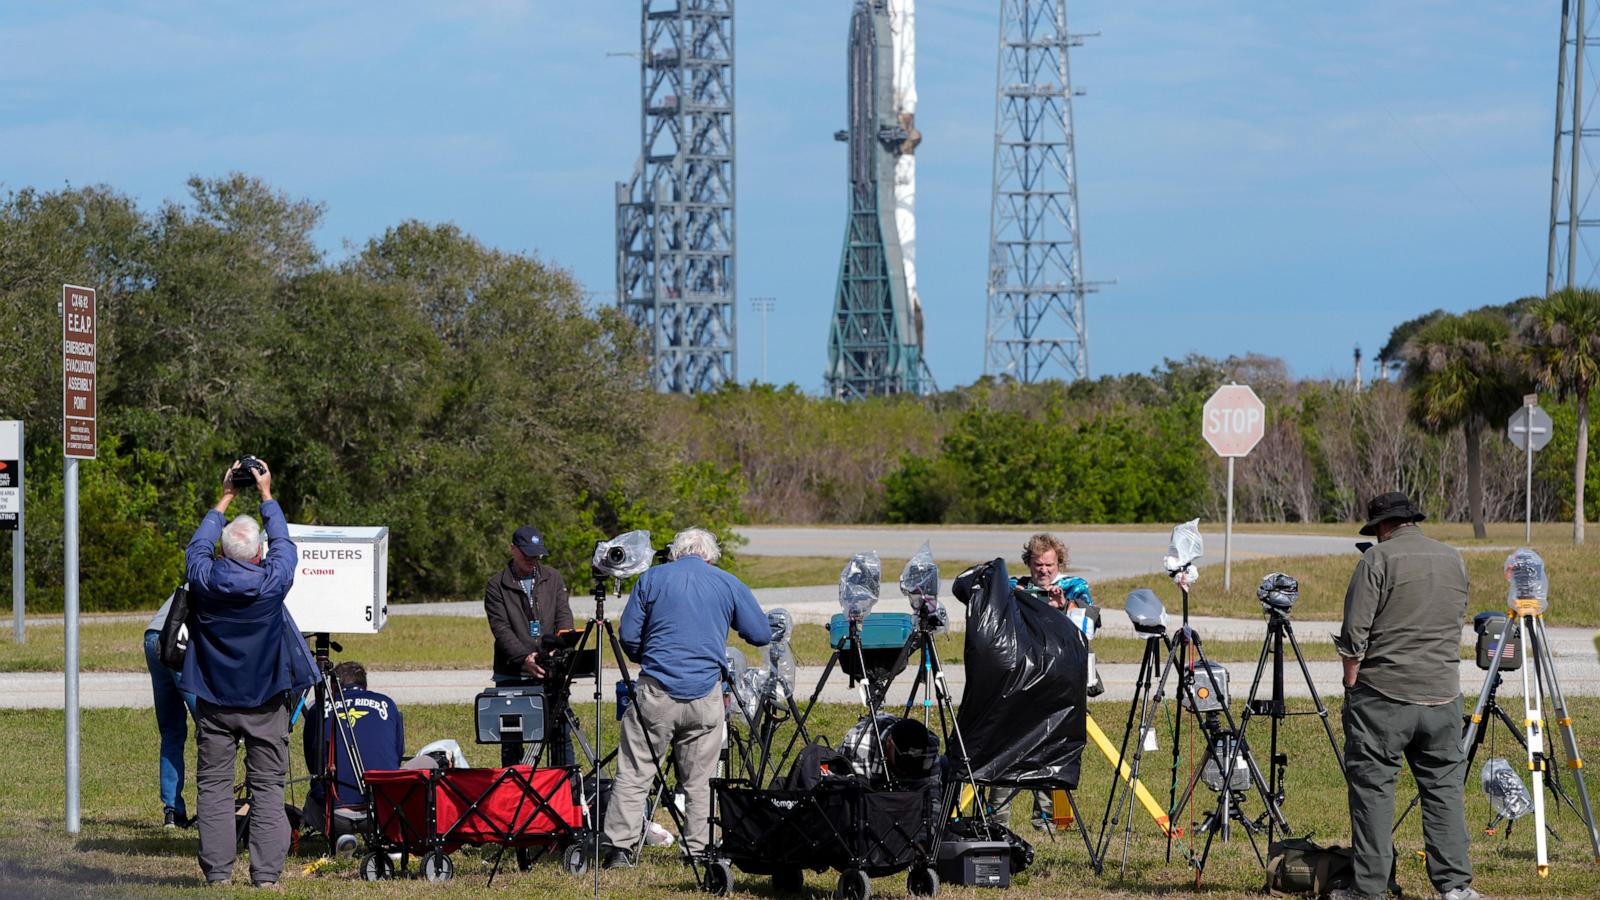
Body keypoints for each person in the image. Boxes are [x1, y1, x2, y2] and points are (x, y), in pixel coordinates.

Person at [1331, 492, 1477, 900]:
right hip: (1444, 697)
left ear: (1381, 528)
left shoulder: (1376, 560)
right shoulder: (1454, 558)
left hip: (1383, 696)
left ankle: (1370, 888)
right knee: (1444, 788)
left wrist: (1350, 685)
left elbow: (1354, 637)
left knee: (1374, 789)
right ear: (1412, 520)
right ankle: (1455, 886)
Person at [182, 458, 319, 888]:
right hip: (265, 701)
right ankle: (265, 877)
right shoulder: (271, 582)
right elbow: (285, 546)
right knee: (268, 791)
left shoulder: (204, 578)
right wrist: (266, 495)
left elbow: (195, 549)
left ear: (222, 552)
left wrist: (225, 495)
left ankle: (218, 875)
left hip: (215, 700)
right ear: (257, 553)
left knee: (215, 790)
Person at [601, 527, 771, 868]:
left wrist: (650, 658)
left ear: (676, 552)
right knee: (700, 779)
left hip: (656, 691)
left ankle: (620, 848)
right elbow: (760, 633)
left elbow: (629, 636)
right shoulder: (726, 582)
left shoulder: (651, 579)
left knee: (635, 771)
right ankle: (698, 850)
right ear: (709, 556)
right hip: (705, 695)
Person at [991, 532, 1094, 832]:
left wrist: (1064, 609)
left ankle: (1046, 818)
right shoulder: (1015, 588)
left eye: (1049, 565)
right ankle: (997, 820)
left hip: (1059, 681)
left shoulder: (1075, 587)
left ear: (1058, 562)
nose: (1044, 571)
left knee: (1050, 746)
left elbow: (1087, 628)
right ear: (1029, 564)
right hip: (1020, 680)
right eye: (1038, 565)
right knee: (1006, 745)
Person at [484, 525, 574, 767]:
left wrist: (558, 649)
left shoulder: (552, 578)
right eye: (527, 554)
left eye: (537, 555)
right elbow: (501, 629)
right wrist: (525, 658)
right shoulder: (496, 585)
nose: (532, 560)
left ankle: (566, 790)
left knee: (560, 735)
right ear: (513, 549)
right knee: (512, 738)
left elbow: (564, 617)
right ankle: (514, 791)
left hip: (550, 672)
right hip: (512, 673)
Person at [301, 661, 403, 851]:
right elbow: (397, 754)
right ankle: (381, 836)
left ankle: (341, 836)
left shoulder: (318, 709)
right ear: (365, 686)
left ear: (333, 686)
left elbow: (313, 763)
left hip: (335, 811)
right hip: (381, 811)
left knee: (312, 796)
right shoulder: (387, 703)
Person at [143, 591, 197, 828]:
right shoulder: (229, 576)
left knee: (172, 731)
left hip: (153, 635)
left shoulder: (202, 567)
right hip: (177, 638)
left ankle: (173, 812)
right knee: (214, 730)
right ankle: (213, 810)